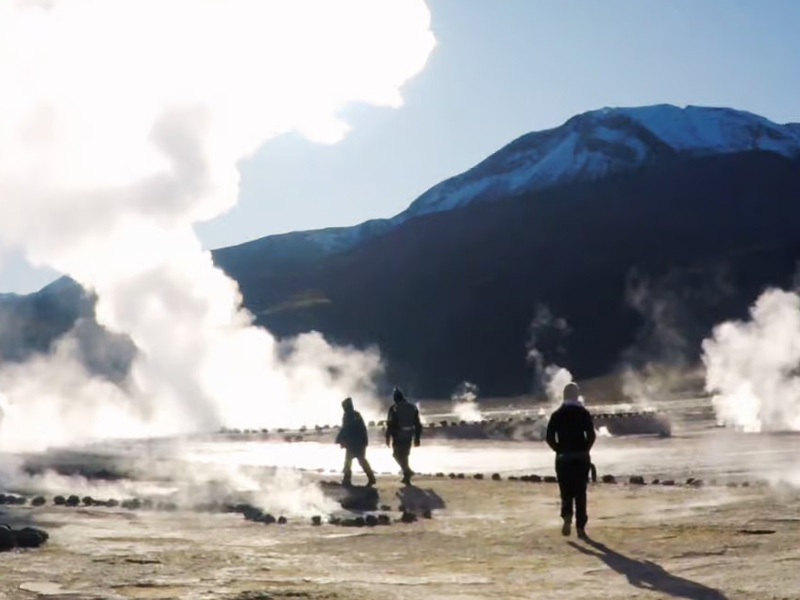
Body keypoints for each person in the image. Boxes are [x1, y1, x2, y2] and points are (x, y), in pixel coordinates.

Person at [546, 381, 596, 539]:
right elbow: (591, 436)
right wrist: (585, 450)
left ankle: (567, 516)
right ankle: (580, 526)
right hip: (581, 457)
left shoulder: (557, 414)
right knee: (581, 492)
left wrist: (558, 449)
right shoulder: (583, 413)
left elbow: (549, 437)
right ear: (577, 396)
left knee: (565, 490)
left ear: (564, 396)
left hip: (563, 458)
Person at [335, 397, 376, 487]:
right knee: (361, 460)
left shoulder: (347, 416)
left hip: (353, 443)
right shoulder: (357, 414)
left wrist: (339, 439)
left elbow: (346, 429)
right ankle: (371, 478)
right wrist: (365, 441)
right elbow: (362, 428)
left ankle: (347, 479)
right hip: (360, 442)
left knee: (349, 461)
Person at [385, 388, 422, 485]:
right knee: (405, 455)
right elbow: (418, 424)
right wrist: (417, 438)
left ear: (395, 398)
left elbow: (390, 424)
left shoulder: (394, 408)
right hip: (409, 435)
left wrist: (388, 437)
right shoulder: (412, 407)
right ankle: (407, 475)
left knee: (397, 455)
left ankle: (407, 471)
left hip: (398, 435)